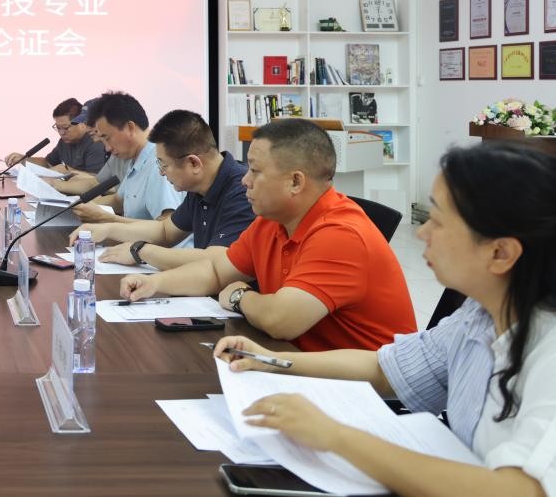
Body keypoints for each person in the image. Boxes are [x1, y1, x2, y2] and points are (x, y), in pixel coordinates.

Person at [211, 141, 556, 496]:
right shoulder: (480, 315)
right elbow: (385, 368)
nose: (421, 233)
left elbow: (521, 491)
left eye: (437, 221)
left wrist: (335, 436)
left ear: (500, 253)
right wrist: (273, 361)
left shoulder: (548, 350)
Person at [120, 117, 416, 352]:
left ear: (295, 182)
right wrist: (155, 283)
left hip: (361, 392)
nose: (245, 181)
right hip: (295, 360)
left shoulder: (340, 234)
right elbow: (216, 270)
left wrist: (239, 296)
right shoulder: (272, 221)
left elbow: (280, 320)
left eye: (255, 171)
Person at [70, 109, 254, 270]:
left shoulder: (243, 191)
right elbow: (165, 231)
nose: (161, 172)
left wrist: (140, 251)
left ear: (193, 163)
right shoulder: (199, 187)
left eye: (163, 165)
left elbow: (218, 260)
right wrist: (108, 229)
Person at [67, 91, 185, 225]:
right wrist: (75, 207)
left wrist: (106, 218)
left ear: (130, 128)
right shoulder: (136, 158)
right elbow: (119, 200)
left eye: (107, 138)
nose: (107, 148)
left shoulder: (158, 164)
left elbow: (166, 226)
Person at [5, 97, 108, 174]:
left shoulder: (96, 142)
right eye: (58, 128)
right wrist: (24, 160)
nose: (61, 132)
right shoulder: (64, 141)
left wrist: (68, 171)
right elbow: (48, 163)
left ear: (82, 123)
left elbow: (96, 180)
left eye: (65, 127)